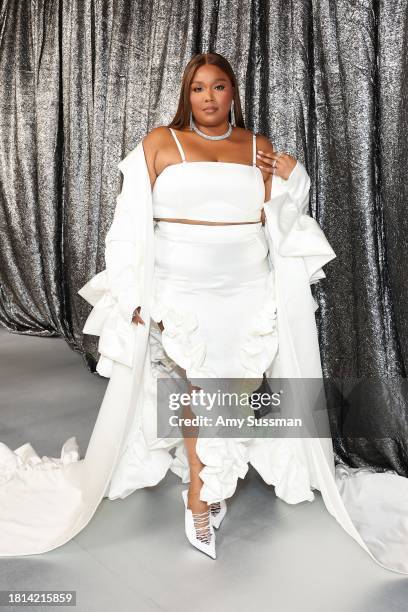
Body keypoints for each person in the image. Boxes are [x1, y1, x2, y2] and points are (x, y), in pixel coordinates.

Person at [1, 53, 407, 572]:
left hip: (246, 286)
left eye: (218, 87)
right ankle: (200, 492)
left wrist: (296, 177)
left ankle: (210, 477)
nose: (209, 97)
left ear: (232, 92)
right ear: (186, 95)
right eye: (198, 89)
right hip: (181, 287)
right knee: (198, 385)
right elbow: (128, 224)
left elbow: (284, 221)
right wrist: (133, 291)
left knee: (230, 387)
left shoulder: (258, 148)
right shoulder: (158, 144)